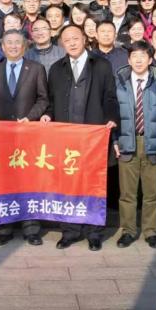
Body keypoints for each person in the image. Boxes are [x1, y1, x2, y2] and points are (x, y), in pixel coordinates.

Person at [44, 24, 120, 251]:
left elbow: (110, 97)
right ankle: (69, 231)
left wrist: (111, 117)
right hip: (66, 139)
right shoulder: (56, 69)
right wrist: (47, 115)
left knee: (93, 185)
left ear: (85, 39)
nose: (72, 43)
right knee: (67, 185)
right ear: (62, 44)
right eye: (67, 40)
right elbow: (51, 101)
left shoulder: (102, 65)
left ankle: (94, 232)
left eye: (75, 38)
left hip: (92, 138)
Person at [0, 30, 50, 246]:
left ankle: (31, 228)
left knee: (29, 181)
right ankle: (4, 227)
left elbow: (43, 99)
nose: (13, 46)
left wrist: (29, 117)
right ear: (3, 47)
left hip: (28, 135)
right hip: (2, 137)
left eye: (17, 43)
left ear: (24, 47)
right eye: (9, 43)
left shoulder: (36, 69)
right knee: (4, 181)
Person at [114, 41, 156, 250]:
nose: (138, 60)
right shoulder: (119, 82)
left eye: (143, 56)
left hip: (153, 143)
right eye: (135, 56)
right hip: (127, 143)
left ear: (150, 60)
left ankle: (151, 232)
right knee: (127, 194)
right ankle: (128, 231)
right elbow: (112, 115)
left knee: (152, 193)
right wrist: (115, 140)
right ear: (129, 59)